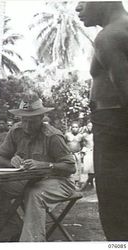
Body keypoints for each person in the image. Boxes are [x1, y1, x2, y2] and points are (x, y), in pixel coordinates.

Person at [0, 92, 76, 242]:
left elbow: (70, 167)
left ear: (42, 118)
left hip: (59, 182)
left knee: (34, 193)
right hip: (28, 181)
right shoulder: (16, 131)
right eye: (24, 120)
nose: (27, 126)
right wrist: (11, 162)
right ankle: (14, 230)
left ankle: (31, 242)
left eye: (32, 121)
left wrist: (47, 165)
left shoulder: (52, 136)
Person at [76, 1, 128, 240]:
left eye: (82, 2)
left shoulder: (108, 37)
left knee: (114, 205)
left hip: (114, 126)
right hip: (115, 123)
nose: (78, 9)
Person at [65, 121, 85, 187]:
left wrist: (81, 151)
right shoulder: (67, 135)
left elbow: (83, 144)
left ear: (79, 128)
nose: (74, 128)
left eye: (76, 127)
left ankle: (77, 181)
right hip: (69, 154)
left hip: (77, 154)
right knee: (71, 167)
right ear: (71, 128)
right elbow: (64, 144)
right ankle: (70, 181)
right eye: (73, 127)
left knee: (78, 167)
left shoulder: (81, 136)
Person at [80, 121, 94, 191]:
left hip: (94, 151)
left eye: (91, 126)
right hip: (87, 152)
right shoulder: (84, 135)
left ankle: (87, 182)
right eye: (88, 126)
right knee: (89, 169)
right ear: (86, 126)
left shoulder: (95, 134)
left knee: (94, 168)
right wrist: (83, 151)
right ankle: (91, 184)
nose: (90, 127)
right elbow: (82, 144)